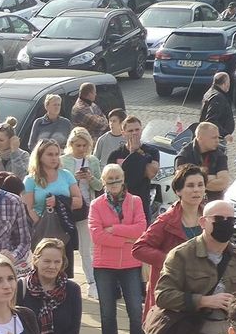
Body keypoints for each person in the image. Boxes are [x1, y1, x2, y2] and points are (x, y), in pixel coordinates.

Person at [153, 199, 236, 334]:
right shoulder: (181, 255)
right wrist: (203, 301)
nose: (226, 224)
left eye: (230, 220)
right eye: (219, 219)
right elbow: (163, 296)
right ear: (203, 222)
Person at [89, 164, 149, 334]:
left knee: (135, 309)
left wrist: (114, 229)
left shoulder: (135, 201)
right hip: (104, 263)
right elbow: (96, 236)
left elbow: (141, 228)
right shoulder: (96, 205)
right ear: (103, 181)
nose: (114, 182)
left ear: (123, 179)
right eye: (110, 179)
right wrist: (125, 239)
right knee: (107, 310)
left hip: (130, 263)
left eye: (117, 178)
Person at [134, 164, 208, 315]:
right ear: (178, 191)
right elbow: (139, 248)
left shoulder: (209, 216)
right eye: (190, 185)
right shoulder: (167, 220)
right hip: (171, 293)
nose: (196, 190)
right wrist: (172, 260)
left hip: (202, 292)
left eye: (200, 185)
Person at [23, 139, 81, 270]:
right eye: (50, 154)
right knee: (43, 267)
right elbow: (28, 207)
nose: (54, 158)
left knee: (63, 268)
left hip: (63, 227)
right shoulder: (30, 179)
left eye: (56, 154)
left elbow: (78, 201)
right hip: (41, 230)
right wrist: (39, 223)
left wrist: (59, 201)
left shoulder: (66, 175)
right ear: (40, 156)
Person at [62, 127, 102, 284]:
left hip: (87, 207)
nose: (81, 149)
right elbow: (60, 184)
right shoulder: (63, 160)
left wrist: (90, 178)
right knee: (64, 245)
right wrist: (73, 179)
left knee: (87, 247)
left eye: (84, 145)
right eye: (78, 145)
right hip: (68, 206)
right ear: (71, 144)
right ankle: (63, 278)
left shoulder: (92, 161)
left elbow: (99, 186)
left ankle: (91, 281)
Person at [108, 116, 160, 221]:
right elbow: (113, 178)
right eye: (130, 130)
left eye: (137, 130)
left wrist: (137, 153)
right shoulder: (115, 154)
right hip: (121, 203)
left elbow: (150, 173)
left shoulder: (152, 151)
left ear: (141, 130)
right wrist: (133, 155)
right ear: (123, 133)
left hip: (142, 202)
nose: (134, 133)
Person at [174, 122, 231, 203]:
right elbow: (181, 184)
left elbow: (223, 183)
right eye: (214, 138)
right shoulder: (184, 155)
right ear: (200, 138)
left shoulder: (219, 155)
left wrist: (196, 182)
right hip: (191, 206)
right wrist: (211, 177)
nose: (217, 141)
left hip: (213, 204)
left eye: (218, 137)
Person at [200, 73, 236, 145]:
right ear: (225, 83)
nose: (229, 84)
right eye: (228, 82)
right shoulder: (218, 97)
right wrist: (225, 134)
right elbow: (211, 120)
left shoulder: (209, 92)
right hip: (216, 139)